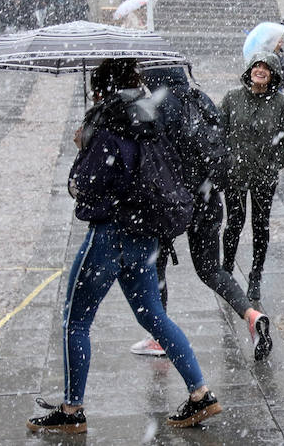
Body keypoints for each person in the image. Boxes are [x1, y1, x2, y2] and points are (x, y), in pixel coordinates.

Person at [27, 58, 221, 434]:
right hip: (145, 234)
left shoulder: (106, 124)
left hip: (110, 236)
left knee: (76, 320)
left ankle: (72, 410)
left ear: (100, 88)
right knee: (153, 315)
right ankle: (201, 393)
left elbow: (84, 185)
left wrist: (83, 148)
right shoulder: (150, 117)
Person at [127, 67, 273, 361]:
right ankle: (251, 314)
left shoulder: (154, 106)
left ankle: (159, 336)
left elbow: (146, 158)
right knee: (210, 269)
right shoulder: (201, 99)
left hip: (171, 202)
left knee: (157, 266)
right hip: (207, 196)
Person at [219, 52, 284, 300]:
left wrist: (275, 164)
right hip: (236, 174)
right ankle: (227, 269)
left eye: (266, 67)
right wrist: (224, 161)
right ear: (249, 70)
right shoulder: (232, 98)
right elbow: (219, 131)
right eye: (257, 66)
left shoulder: (280, 104)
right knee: (234, 223)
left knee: (260, 225)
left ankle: (256, 274)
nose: (260, 70)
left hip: (264, 175)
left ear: (273, 74)